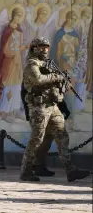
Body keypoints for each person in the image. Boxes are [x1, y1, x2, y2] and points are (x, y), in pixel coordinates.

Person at [20, 36, 90, 182]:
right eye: (41, 46)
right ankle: (26, 170)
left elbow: (54, 83)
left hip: (52, 106)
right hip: (39, 107)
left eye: (46, 47)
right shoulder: (32, 64)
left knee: (62, 136)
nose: (45, 49)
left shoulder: (48, 64)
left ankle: (71, 171)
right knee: (37, 139)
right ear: (34, 48)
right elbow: (38, 80)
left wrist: (61, 82)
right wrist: (56, 77)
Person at [21, 84, 70, 176]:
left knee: (47, 138)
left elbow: (55, 93)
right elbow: (25, 93)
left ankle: (38, 165)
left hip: (50, 111)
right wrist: (28, 111)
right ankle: (31, 167)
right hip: (39, 111)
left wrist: (63, 107)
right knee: (38, 139)